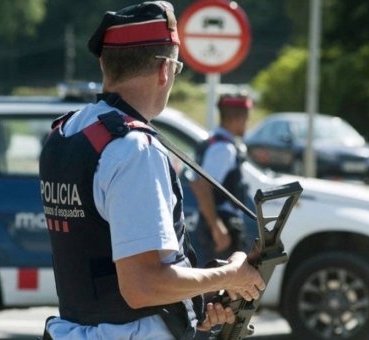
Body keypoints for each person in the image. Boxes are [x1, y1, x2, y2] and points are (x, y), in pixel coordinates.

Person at [38, 2, 265, 339]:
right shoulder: (134, 150)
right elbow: (142, 287)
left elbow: (105, 271)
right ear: (165, 70)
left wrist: (189, 307)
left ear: (104, 62)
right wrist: (231, 276)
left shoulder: (68, 132)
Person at [190, 94, 252, 267]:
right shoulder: (223, 148)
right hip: (221, 224)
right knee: (219, 287)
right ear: (239, 118)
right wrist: (217, 228)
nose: (247, 123)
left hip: (217, 223)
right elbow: (201, 186)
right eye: (247, 118)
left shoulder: (213, 141)